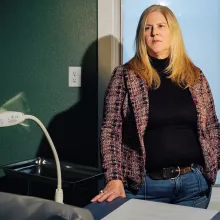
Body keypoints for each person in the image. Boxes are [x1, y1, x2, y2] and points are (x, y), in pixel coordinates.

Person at [91, 4, 220, 208]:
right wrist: (114, 178)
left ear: (172, 32)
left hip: (194, 187)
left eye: (161, 25)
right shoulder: (125, 76)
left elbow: (212, 126)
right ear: (142, 35)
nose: (154, 32)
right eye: (147, 27)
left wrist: (212, 167)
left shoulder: (196, 77)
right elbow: (110, 131)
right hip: (144, 188)